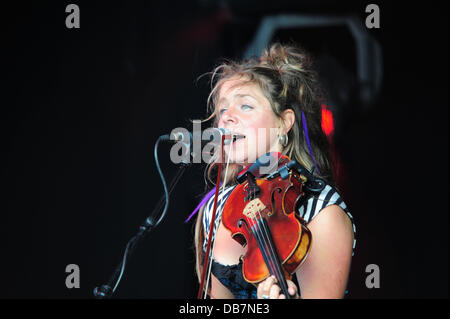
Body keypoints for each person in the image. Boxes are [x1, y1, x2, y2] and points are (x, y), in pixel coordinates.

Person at [192, 43, 356, 299]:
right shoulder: (218, 208)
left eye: (245, 106)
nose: (226, 118)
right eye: (222, 110)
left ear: (283, 123)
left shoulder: (322, 211)